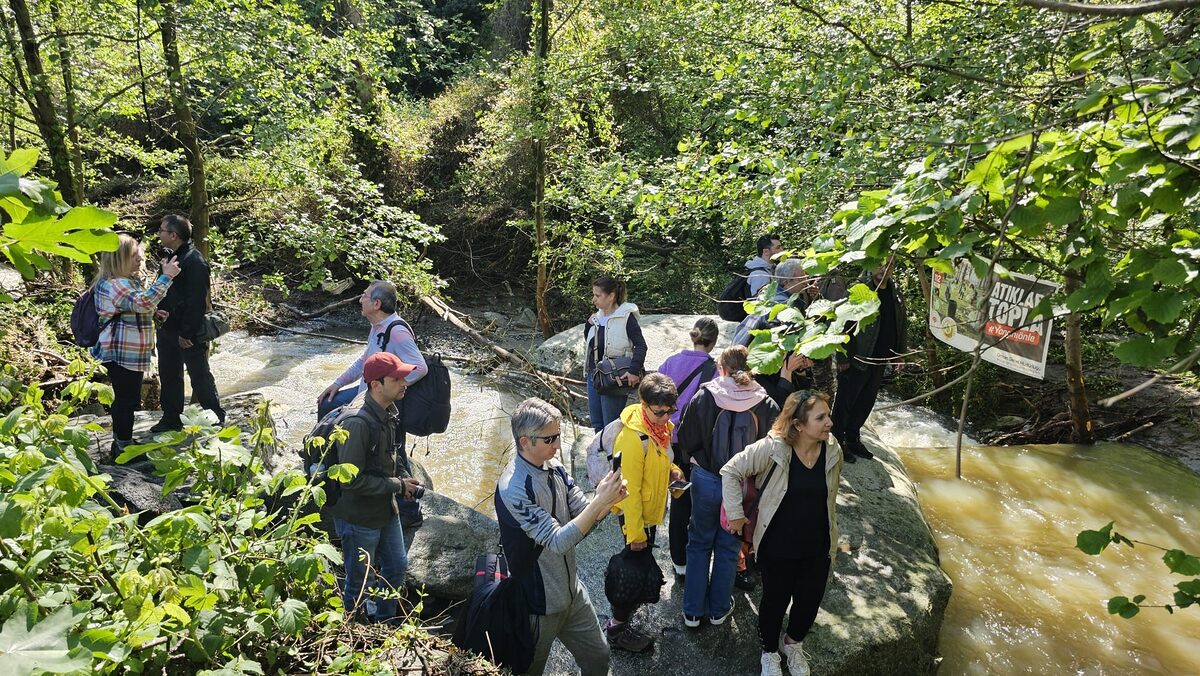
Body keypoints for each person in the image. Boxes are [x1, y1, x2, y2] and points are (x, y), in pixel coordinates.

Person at [496, 398, 628, 676]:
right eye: (550, 439)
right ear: (525, 442)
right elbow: (557, 541)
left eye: (559, 435)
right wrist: (598, 504)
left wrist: (605, 500)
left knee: (599, 656)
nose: (558, 445)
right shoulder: (514, 488)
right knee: (529, 670)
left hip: (571, 592)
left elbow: (582, 512)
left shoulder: (554, 466)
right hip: (537, 605)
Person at [721, 391, 842, 676]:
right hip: (778, 545)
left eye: (829, 416)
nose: (830, 423)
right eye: (821, 418)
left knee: (809, 601)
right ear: (798, 424)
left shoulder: (833, 449)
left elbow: (830, 496)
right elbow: (731, 470)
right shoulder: (772, 448)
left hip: (817, 544)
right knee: (775, 601)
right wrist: (736, 514)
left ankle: (792, 644)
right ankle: (769, 653)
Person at [675, 346, 778, 628]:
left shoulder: (705, 396)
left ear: (721, 367)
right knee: (730, 546)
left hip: (707, 478)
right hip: (745, 485)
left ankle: (693, 611)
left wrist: (694, 462)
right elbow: (774, 449)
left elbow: (685, 438)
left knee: (698, 542)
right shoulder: (766, 403)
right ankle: (719, 610)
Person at [317, 280, 428, 525]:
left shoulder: (396, 331)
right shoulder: (377, 326)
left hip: (385, 404)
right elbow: (364, 362)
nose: (360, 299)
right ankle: (331, 473)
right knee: (326, 406)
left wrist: (392, 388)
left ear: (376, 304)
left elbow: (420, 367)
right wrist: (337, 384)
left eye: (365, 296)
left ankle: (409, 512)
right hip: (364, 397)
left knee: (394, 455)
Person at [330, 352, 424, 623]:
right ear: (375, 385)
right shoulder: (357, 423)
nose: (405, 382)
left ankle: (383, 621)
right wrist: (397, 485)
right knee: (360, 580)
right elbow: (350, 480)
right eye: (397, 378)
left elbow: (392, 456)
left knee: (396, 566)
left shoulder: (388, 411)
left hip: (385, 508)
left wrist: (404, 479)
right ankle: (353, 628)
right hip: (358, 517)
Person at [606, 373, 681, 652]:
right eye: (658, 412)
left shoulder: (661, 430)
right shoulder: (633, 439)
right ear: (643, 403)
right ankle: (616, 628)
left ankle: (622, 617)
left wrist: (674, 473)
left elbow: (662, 462)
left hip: (649, 513)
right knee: (632, 570)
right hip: (636, 516)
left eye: (669, 411)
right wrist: (635, 532)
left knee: (638, 565)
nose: (664, 417)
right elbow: (630, 491)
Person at [90, 234, 180, 457]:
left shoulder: (122, 281)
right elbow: (142, 302)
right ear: (118, 258)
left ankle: (123, 439)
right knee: (127, 399)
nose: (139, 260)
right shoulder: (115, 284)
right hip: (121, 352)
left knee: (127, 398)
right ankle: (123, 445)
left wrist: (154, 314)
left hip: (126, 351)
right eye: (134, 256)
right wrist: (166, 277)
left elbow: (135, 308)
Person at [656, 317, 720, 576]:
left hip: (669, 442)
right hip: (699, 446)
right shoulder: (716, 371)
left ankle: (678, 561)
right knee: (701, 503)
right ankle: (699, 559)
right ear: (713, 342)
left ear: (692, 336)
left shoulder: (671, 362)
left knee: (679, 501)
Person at [150, 214, 224, 433]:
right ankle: (171, 417)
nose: (159, 233)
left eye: (162, 230)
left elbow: (197, 302)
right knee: (169, 374)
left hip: (187, 331)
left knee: (199, 375)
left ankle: (216, 416)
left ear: (173, 235)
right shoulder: (172, 257)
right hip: (167, 327)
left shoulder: (194, 261)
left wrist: (188, 333)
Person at [833, 262, 906, 463]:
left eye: (889, 265)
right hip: (857, 358)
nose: (884, 269)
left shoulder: (895, 292)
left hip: (880, 359)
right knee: (845, 402)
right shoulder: (859, 291)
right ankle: (838, 442)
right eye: (880, 265)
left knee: (866, 401)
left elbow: (901, 323)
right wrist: (842, 357)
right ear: (871, 265)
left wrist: (900, 353)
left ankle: (853, 438)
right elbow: (842, 324)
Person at [733, 258, 817, 406]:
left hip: (749, 371)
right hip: (769, 380)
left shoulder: (767, 299)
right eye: (801, 276)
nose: (806, 280)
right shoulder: (784, 310)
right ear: (787, 282)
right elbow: (791, 353)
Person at [584, 275, 647, 432]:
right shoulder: (596, 317)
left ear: (611, 296)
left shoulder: (627, 317)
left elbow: (641, 346)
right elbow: (590, 343)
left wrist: (633, 371)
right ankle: (600, 456)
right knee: (597, 425)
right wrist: (588, 325)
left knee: (611, 426)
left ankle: (613, 456)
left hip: (614, 377)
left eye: (598, 295)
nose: (594, 299)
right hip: (595, 376)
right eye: (594, 294)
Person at [746, 233, 783, 297]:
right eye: (778, 248)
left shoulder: (769, 269)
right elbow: (759, 303)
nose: (782, 250)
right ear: (766, 251)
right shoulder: (760, 275)